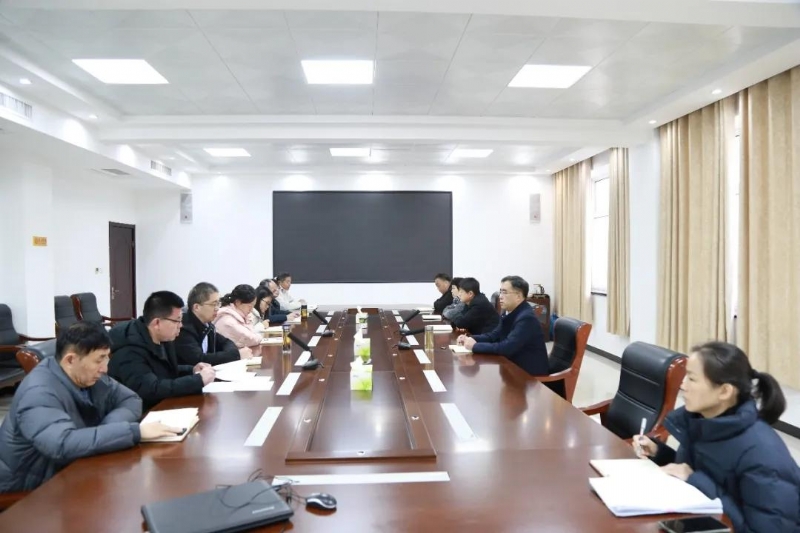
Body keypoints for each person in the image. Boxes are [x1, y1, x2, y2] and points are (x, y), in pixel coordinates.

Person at [635, 342, 800, 532]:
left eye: (692, 379)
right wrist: (659, 453)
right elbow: (698, 470)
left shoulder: (763, 455)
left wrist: (695, 480)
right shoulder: (701, 421)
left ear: (724, 391)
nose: (682, 385)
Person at [0, 322, 182, 492]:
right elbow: (62, 444)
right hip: (31, 485)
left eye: (106, 358)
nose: (105, 369)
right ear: (70, 360)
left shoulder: (86, 375)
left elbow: (130, 399)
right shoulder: (38, 393)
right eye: (99, 360)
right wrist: (135, 432)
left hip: (71, 468)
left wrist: (108, 431)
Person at [108, 291, 216, 412]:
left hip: (161, 406)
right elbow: (151, 389)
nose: (181, 325)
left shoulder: (162, 337)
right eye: (177, 321)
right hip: (139, 413)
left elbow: (163, 370)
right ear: (157, 323)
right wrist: (197, 381)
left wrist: (192, 370)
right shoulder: (129, 351)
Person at [457, 276, 547, 376]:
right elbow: (494, 335)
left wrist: (475, 346)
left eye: (504, 292)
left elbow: (507, 347)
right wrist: (471, 338)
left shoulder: (526, 318)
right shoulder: (509, 312)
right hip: (512, 367)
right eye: (500, 292)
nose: (500, 296)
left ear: (518, 296)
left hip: (528, 375)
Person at [175, 282, 241, 366]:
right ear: (196, 307)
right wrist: (236, 355)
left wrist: (234, 354)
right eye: (213, 304)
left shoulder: (208, 326)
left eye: (218, 304)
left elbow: (227, 342)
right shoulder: (183, 329)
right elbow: (199, 360)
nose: (217, 308)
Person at [213, 284, 262, 358]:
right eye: (249, 306)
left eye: (253, 306)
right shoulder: (227, 320)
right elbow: (250, 338)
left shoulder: (240, 315)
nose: (251, 310)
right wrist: (260, 336)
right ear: (238, 302)